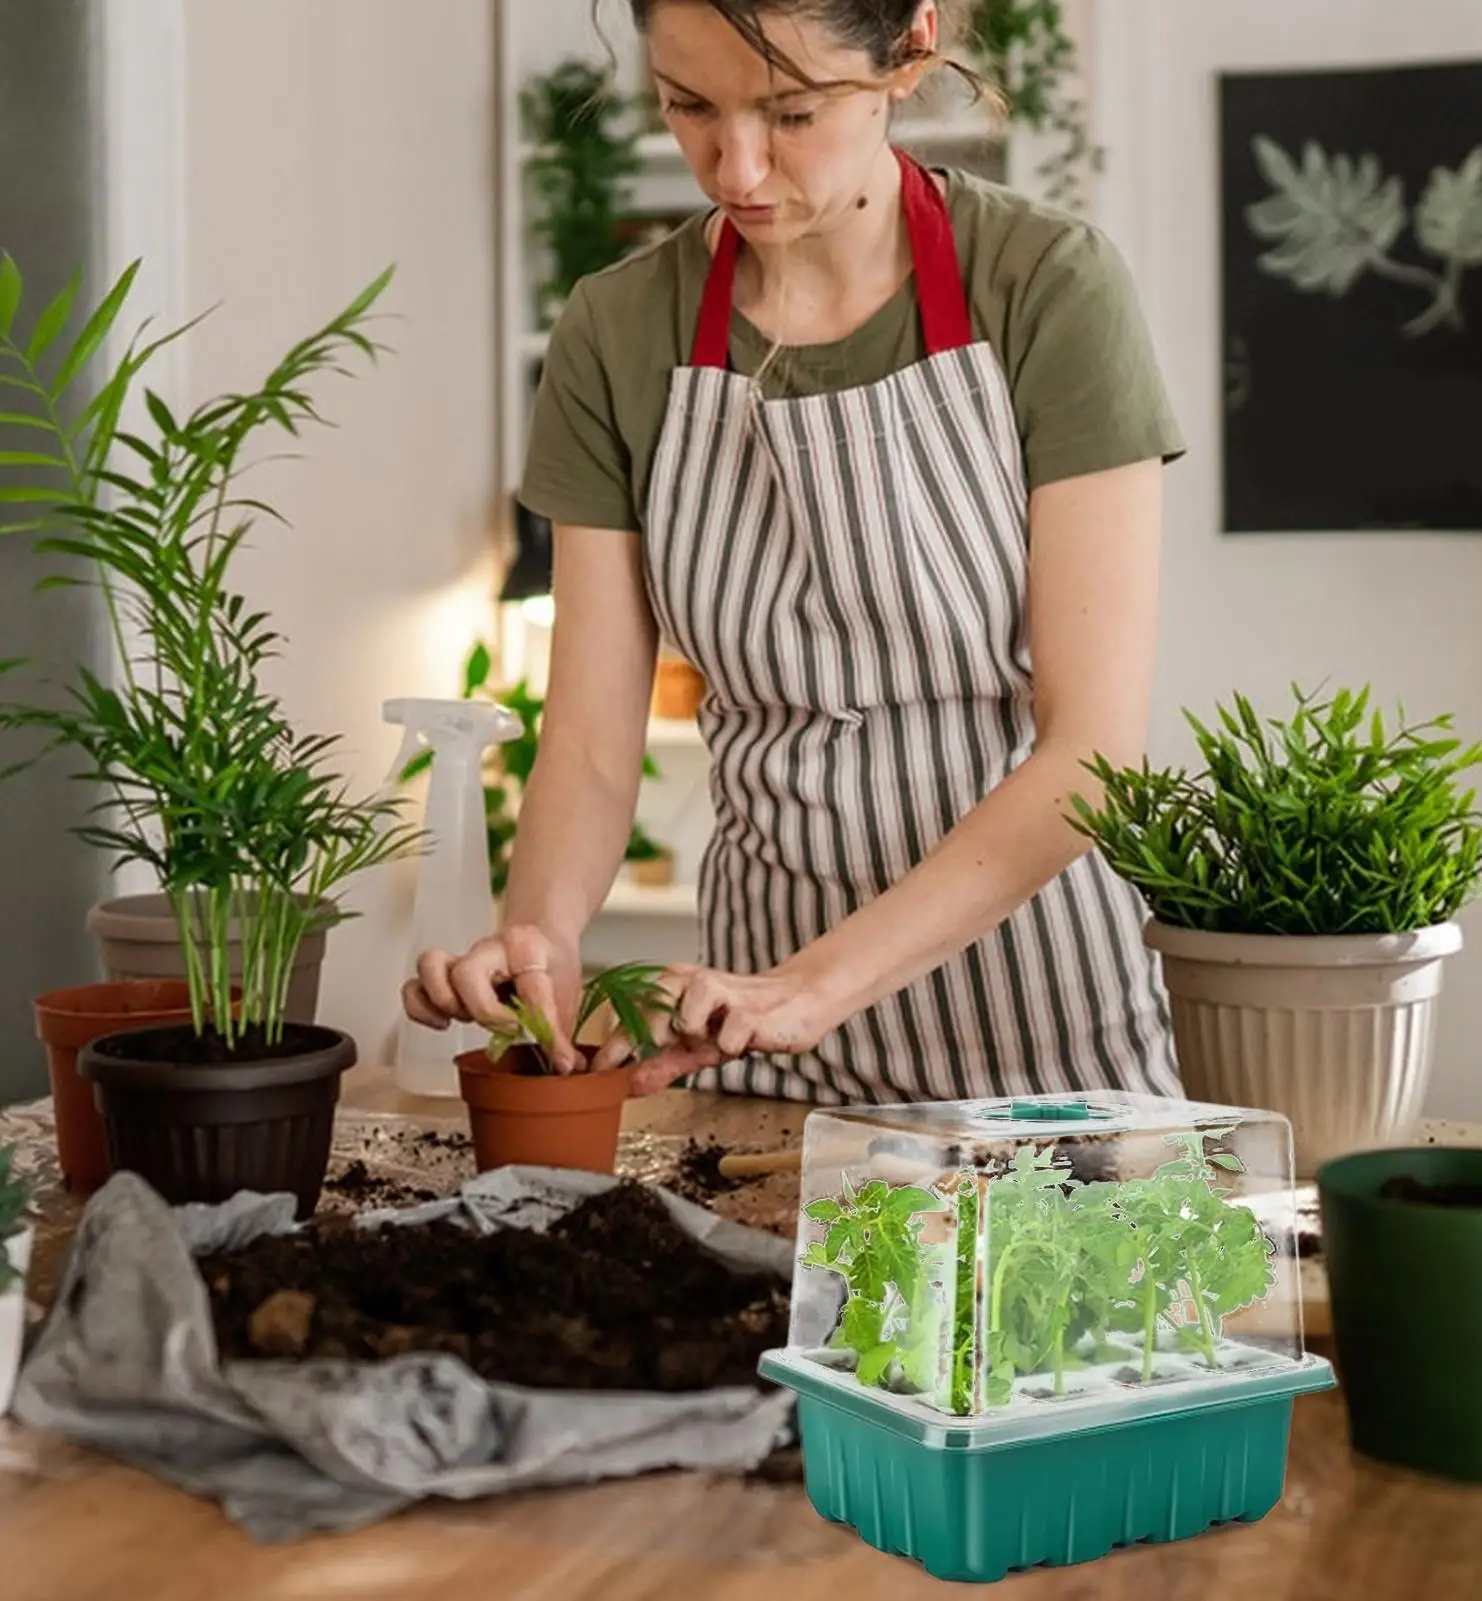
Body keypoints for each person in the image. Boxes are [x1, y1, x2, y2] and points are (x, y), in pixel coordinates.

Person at [402, 0, 1187, 1107]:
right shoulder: (617, 331)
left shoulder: (1046, 285)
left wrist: (813, 985)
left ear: (908, 49)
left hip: (1040, 1029)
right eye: (687, 105)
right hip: (757, 1047)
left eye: (792, 111)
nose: (736, 167)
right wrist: (536, 936)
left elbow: (1087, 755)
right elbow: (584, 739)